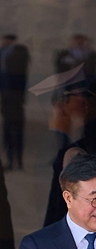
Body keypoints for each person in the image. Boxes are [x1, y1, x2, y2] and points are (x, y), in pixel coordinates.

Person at [0, 34, 29, 171]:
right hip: (7, 98)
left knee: (15, 130)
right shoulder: (5, 53)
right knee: (8, 130)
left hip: (14, 97)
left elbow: (16, 71)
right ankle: (12, 160)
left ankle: (17, 160)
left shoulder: (18, 53)